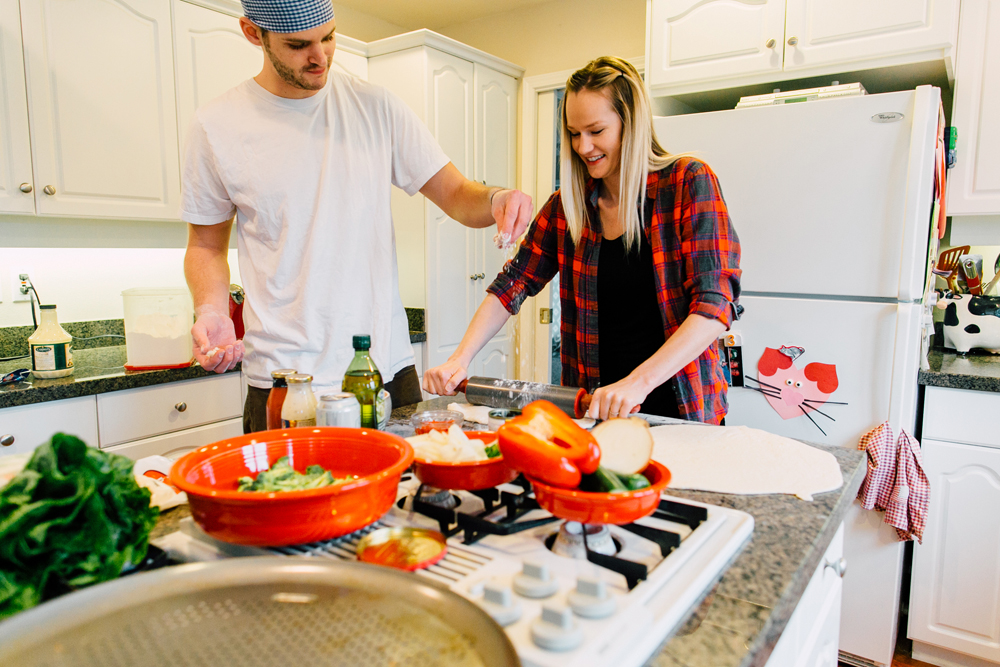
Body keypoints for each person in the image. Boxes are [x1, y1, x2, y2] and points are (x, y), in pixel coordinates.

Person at [181, 0, 532, 433]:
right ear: (254, 33)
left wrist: (496, 198)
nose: (321, 57)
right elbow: (205, 245)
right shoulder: (216, 126)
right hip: (286, 381)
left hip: (384, 370)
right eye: (298, 44)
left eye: (329, 37)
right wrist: (211, 308)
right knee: (291, 498)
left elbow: (458, 195)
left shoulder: (375, 107)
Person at [423, 57, 741, 424]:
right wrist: (459, 359)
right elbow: (513, 284)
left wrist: (637, 383)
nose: (583, 146)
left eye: (596, 130)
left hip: (683, 410)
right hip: (595, 412)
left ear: (630, 124)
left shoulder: (687, 182)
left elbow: (714, 305)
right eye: (574, 133)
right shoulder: (567, 208)